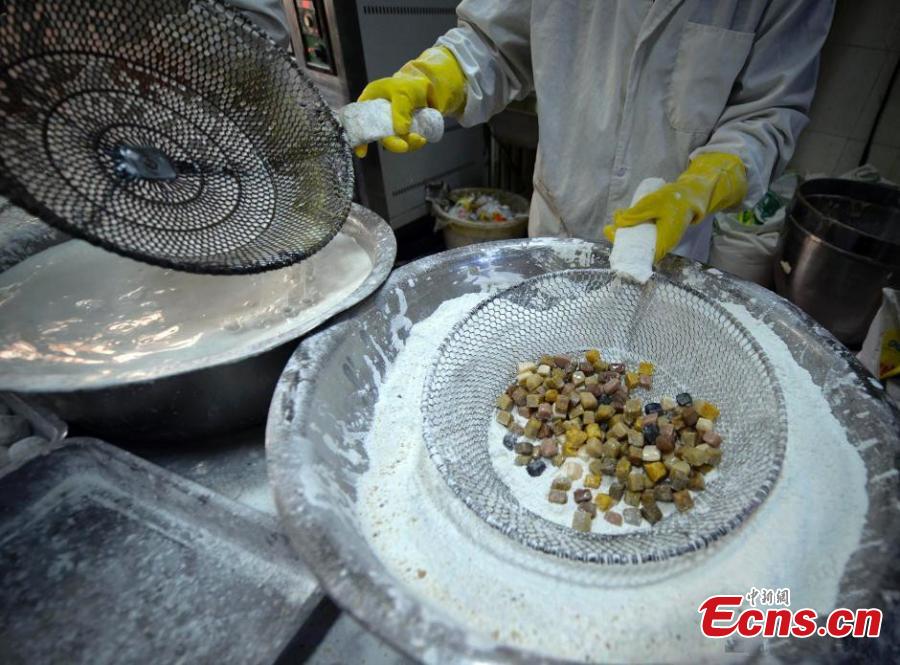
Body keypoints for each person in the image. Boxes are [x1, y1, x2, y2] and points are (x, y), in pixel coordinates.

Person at [354, 1, 834, 263]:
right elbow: (494, 40)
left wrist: (701, 186)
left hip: (670, 248)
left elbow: (767, 113)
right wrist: (436, 76)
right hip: (557, 223)